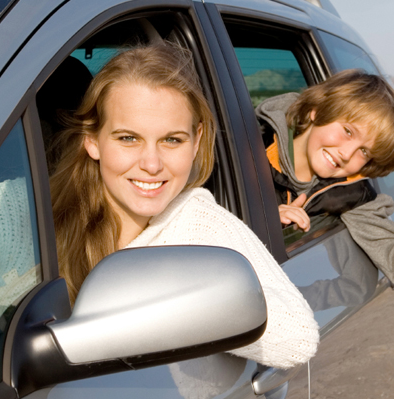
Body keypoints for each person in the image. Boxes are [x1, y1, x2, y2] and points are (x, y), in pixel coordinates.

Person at [49, 42, 318, 370]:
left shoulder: (194, 222)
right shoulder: (18, 213)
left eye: (171, 140)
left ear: (196, 142)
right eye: (128, 138)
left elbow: (298, 338)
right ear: (92, 140)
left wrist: (183, 298)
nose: (151, 164)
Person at [257, 69, 394, 290]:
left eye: (365, 152)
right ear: (317, 111)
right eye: (348, 131)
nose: (347, 154)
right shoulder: (248, 148)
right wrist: (262, 221)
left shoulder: (350, 193)